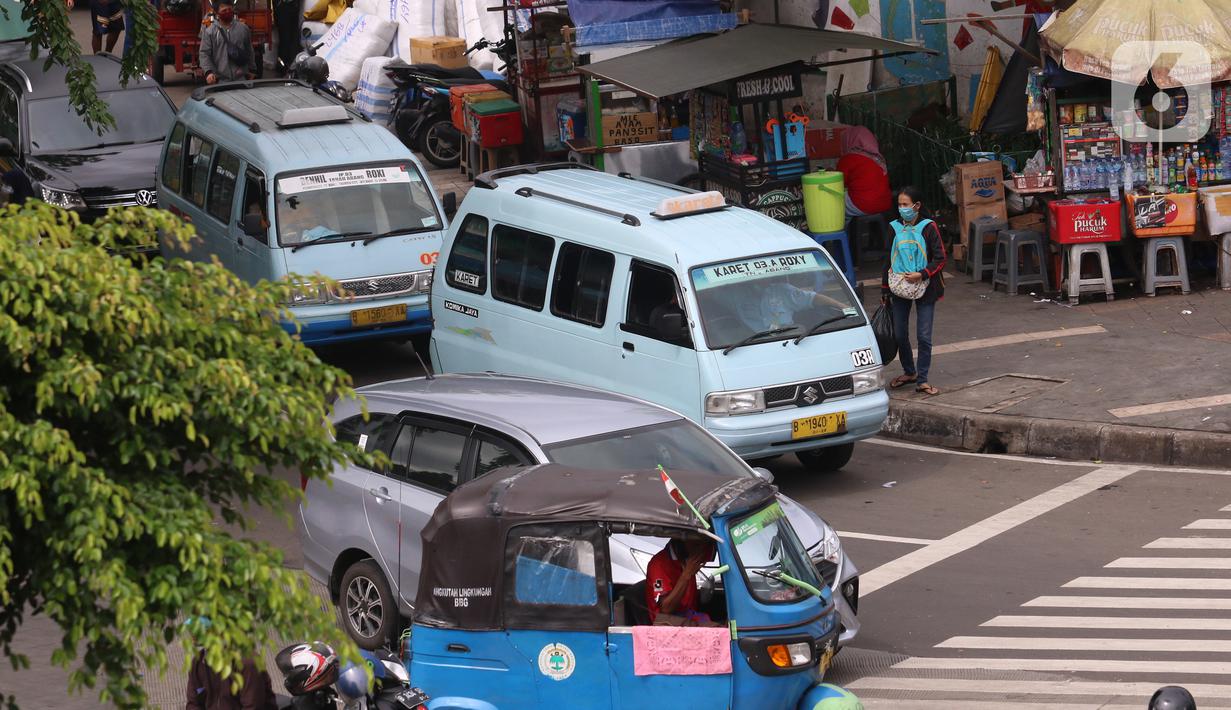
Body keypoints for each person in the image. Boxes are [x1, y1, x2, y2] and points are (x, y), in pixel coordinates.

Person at [881, 186, 945, 396]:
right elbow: (887, 259)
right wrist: (885, 290)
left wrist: (923, 274)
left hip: (926, 287)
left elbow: (940, 258)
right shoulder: (893, 228)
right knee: (900, 334)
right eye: (899, 205)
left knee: (923, 336)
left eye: (905, 204)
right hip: (899, 287)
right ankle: (910, 372)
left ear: (917, 206)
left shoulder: (929, 227)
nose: (902, 209)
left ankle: (923, 379)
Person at [183, 618, 278, 710]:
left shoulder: (248, 663)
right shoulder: (197, 662)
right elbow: (193, 704)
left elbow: (252, 707)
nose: (192, 633)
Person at [645, 537, 714, 624]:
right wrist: (686, 575)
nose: (700, 550)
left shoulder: (686, 558)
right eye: (697, 544)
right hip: (667, 623)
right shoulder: (659, 564)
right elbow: (666, 608)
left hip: (689, 616)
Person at [836, 126, 892, 219]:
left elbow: (838, 182)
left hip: (863, 204)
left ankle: (844, 230)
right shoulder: (877, 158)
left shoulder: (849, 158)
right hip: (885, 203)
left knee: (834, 202)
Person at [199, 0, 255, 85]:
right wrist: (208, 72)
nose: (227, 12)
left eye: (229, 9)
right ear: (217, 13)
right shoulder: (210, 32)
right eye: (224, 11)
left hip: (242, 79)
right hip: (219, 81)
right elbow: (204, 54)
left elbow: (249, 50)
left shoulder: (243, 29)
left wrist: (252, 69)